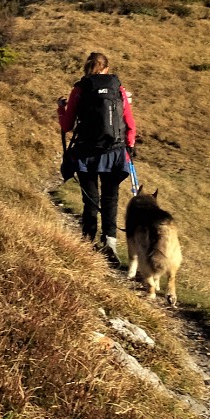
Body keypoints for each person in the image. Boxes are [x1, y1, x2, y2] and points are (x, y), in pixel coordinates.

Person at [57, 52, 137, 265]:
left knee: (90, 199)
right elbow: (129, 121)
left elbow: (67, 126)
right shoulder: (118, 88)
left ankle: (86, 242)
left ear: (87, 67)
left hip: (87, 153)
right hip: (114, 152)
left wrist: (60, 109)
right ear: (106, 68)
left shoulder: (79, 89)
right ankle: (109, 242)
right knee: (111, 198)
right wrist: (129, 145)